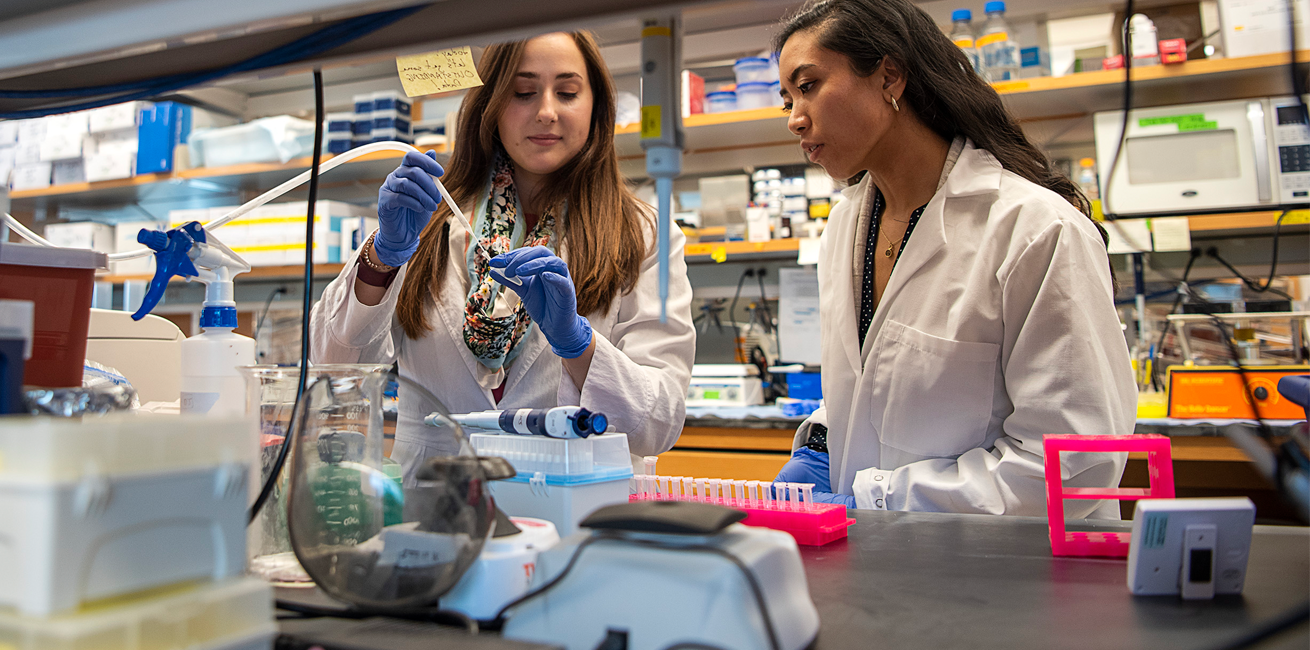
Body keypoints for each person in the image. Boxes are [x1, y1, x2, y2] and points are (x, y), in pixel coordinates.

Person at [770, 0, 1134, 518]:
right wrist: (820, 451)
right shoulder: (845, 226)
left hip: (1012, 578)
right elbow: (876, 386)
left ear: (889, 77)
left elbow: (1075, 465)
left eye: (807, 87)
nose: (795, 119)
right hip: (878, 568)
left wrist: (880, 497)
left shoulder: (1033, 229)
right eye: (786, 100)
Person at [309, 32, 695, 481]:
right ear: (490, 105)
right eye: (523, 92)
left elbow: (661, 421)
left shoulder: (645, 233)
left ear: (596, 107)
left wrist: (577, 343)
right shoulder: (430, 217)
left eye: (567, 92)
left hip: (577, 510)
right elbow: (333, 369)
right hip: (438, 512)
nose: (546, 111)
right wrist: (386, 256)